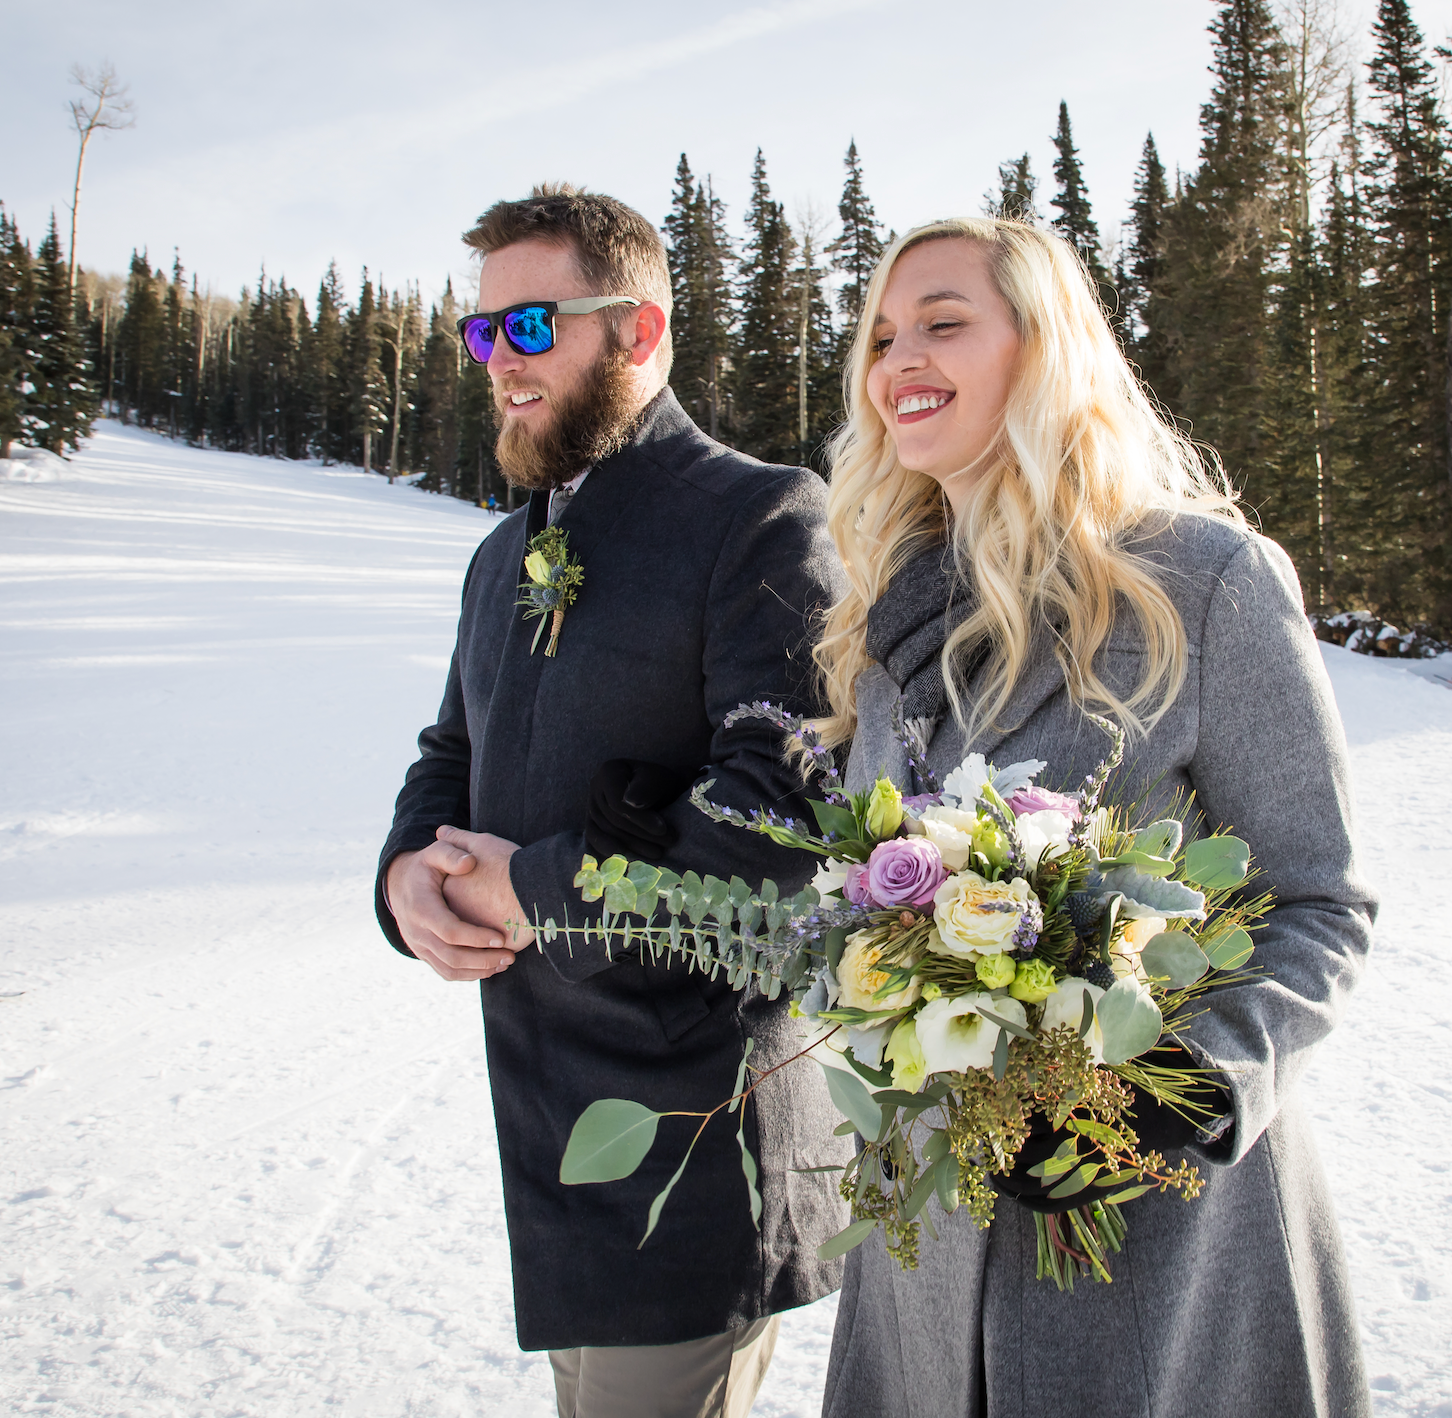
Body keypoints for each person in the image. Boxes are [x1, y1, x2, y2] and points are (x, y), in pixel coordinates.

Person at [810, 216, 1378, 1416]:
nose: (898, 357)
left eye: (944, 323)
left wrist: (1172, 1092)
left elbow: (1318, 901)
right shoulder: (882, 616)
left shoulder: (1198, 582)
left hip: (1158, 1253)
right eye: (880, 335)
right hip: (925, 1245)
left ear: (1044, 345)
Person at [374, 184, 847, 1418]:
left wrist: (530, 888)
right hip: (547, 1123)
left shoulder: (759, 515)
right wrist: (404, 876)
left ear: (637, 332)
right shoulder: (498, 553)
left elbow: (778, 813)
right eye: (482, 334)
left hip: (693, 1123)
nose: (498, 362)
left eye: (530, 327)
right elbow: (449, 749)